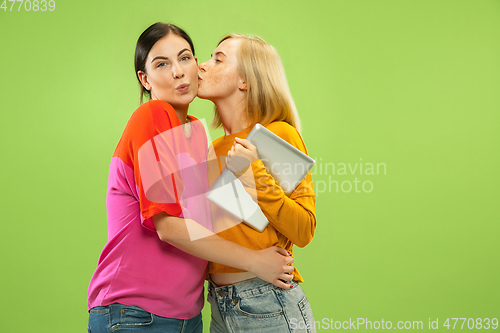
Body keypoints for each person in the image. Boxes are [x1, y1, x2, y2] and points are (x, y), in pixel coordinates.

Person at [87, 23, 294, 333]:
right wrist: (254, 261)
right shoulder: (150, 116)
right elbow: (168, 227)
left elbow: (214, 220)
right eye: (161, 64)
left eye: (185, 58)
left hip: (188, 316)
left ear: (197, 64)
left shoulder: (198, 133)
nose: (178, 72)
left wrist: (264, 174)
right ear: (144, 79)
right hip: (134, 313)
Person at [198, 34, 317, 332]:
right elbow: (203, 233)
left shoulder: (278, 134)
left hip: (268, 302)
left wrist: (255, 174)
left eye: (218, 59)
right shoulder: (212, 149)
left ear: (246, 81)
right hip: (219, 306)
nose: (202, 65)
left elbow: (304, 230)